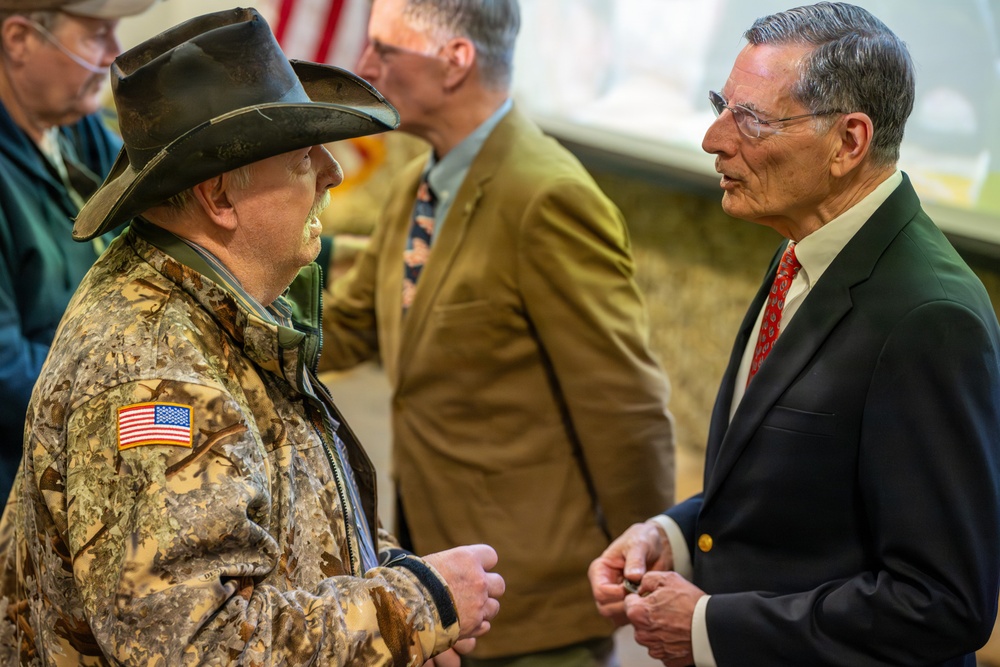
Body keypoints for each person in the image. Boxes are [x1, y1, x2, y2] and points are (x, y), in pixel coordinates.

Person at [0, 8, 505, 664]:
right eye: (301, 154)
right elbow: (196, 642)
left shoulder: (211, 309)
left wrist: (395, 587)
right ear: (218, 195)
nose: (332, 172)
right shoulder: (154, 370)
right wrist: (413, 605)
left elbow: (279, 523)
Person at [588, 3, 1000, 667]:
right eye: (722, 104)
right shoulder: (805, 246)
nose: (713, 138)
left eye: (749, 119)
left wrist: (711, 626)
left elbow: (943, 601)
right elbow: (796, 486)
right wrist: (676, 532)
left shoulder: (930, 316)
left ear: (848, 142)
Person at [320, 0, 675, 664]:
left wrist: (654, 558)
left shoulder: (547, 198)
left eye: (385, 51)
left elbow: (624, 405)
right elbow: (349, 325)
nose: (365, 67)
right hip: (446, 575)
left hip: (536, 600)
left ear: (455, 62)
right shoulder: (417, 185)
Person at [0, 0, 160, 510]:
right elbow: (6, 372)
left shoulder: (74, 127)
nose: (115, 54)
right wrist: (155, 408)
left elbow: (162, 210)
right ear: (19, 39)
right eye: (97, 36)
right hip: (23, 495)